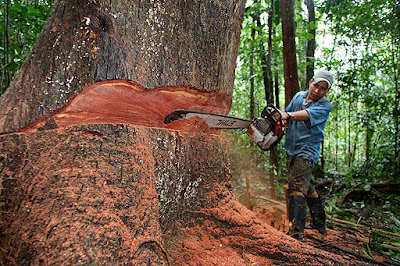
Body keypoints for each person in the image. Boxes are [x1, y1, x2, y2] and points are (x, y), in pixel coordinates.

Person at [279, 70, 334, 241]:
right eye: (316, 85)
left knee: (296, 186)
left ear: (327, 91)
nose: (317, 91)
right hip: (292, 149)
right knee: (307, 186)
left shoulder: (324, 106)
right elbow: (285, 116)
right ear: (311, 82)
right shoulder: (298, 97)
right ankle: (319, 224)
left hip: (307, 151)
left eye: (323, 89)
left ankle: (297, 233)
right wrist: (278, 120)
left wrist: (288, 115)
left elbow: (304, 116)